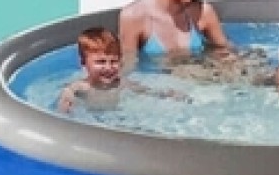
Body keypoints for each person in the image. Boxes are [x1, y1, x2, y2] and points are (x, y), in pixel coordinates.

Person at [57, 27, 186, 112]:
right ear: (83, 63)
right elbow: (68, 90)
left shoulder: (122, 83)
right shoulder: (82, 86)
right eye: (101, 62)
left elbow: (146, 91)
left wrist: (166, 94)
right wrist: (67, 98)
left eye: (114, 61)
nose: (108, 67)